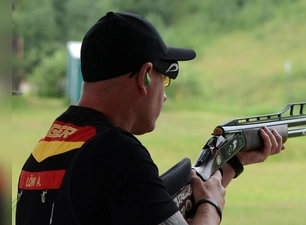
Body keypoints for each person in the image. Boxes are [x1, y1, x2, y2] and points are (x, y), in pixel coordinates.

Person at [15, 11, 285, 225]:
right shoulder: (117, 153)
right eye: (165, 77)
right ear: (145, 76)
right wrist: (211, 207)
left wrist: (233, 163)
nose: (164, 95)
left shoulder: (49, 147)